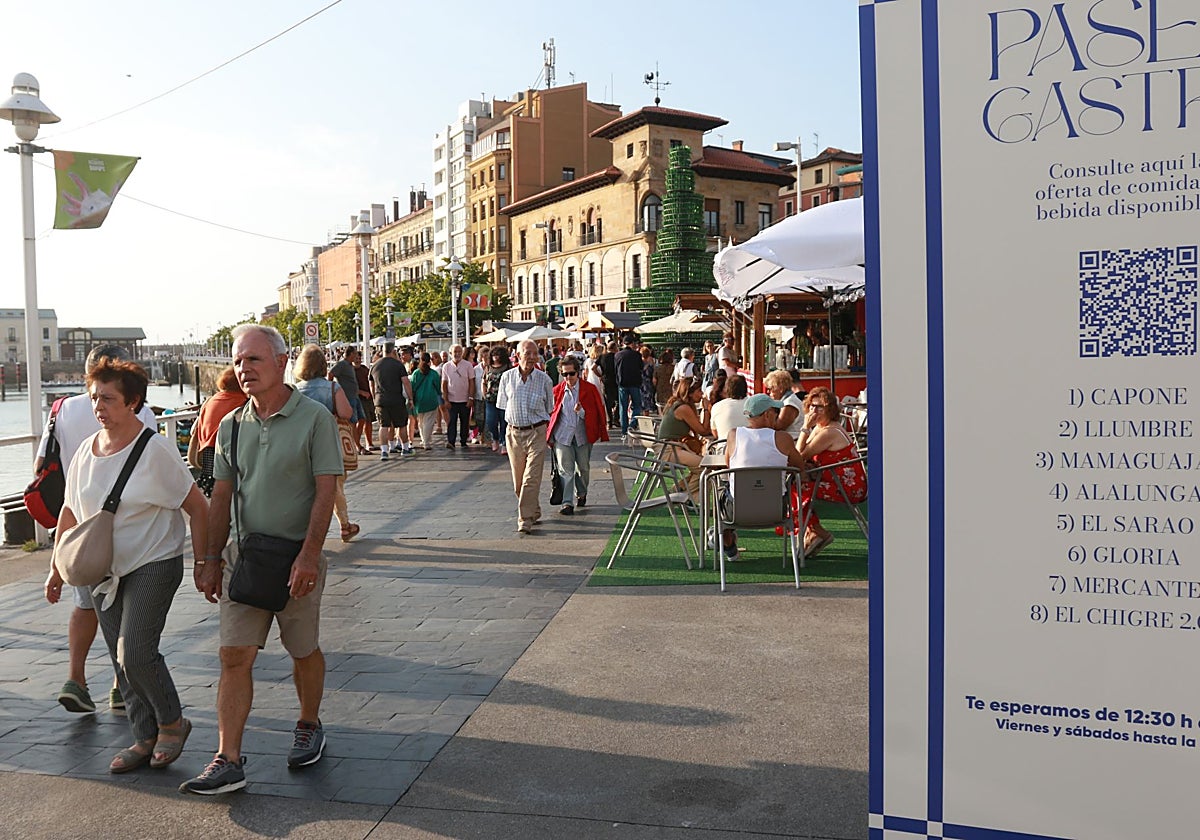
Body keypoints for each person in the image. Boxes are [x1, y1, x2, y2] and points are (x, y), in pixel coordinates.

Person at [182, 324, 343, 795]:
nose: (243, 368)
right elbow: (221, 495)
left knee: (302, 649)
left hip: (296, 559)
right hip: (245, 557)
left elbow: (326, 490)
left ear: (281, 361)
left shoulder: (314, 419)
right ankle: (228, 757)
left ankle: (309, 723)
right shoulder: (232, 426)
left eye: (253, 359)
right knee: (233, 655)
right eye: (237, 361)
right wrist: (210, 558)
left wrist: (309, 556)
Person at [45, 358, 208, 773]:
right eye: (94, 397)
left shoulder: (156, 450)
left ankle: (172, 723)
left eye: (108, 398)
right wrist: (56, 567)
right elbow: (69, 511)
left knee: (134, 651)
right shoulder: (85, 451)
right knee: (119, 660)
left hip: (153, 561)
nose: (98, 406)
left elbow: (198, 507)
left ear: (133, 402)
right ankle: (144, 736)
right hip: (101, 570)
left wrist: (204, 561)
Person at [35, 343, 159, 716]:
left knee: (85, 604)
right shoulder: (140, 409)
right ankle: (122, 686)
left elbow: (42, 463)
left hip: (78, 526)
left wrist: (55, 564)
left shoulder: (62, 409)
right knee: (122, 609)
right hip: (125, 528)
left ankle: (76, 678)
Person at [719, 393, 808, 559]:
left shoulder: (733, 435)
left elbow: (729, 466)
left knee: (723, 491)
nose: (777, 416)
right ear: (767, 414)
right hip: (776, 510)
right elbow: (799, 467)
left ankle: (727, 540)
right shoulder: (783, 438)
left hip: (737, 512)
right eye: (775, 412)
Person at [293, 344, 359, 542]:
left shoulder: (295, 390)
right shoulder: (332, 387)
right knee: (335, 485)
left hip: (303, 444)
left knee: (306, 486)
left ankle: (302, 529)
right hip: (330, 442)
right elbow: (346, 413)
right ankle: (345, 525)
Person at [796, 386, 867, 557]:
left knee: (794, 488)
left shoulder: (828, 432)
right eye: (812, 406)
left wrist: (805, 427)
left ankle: (817, 532)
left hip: (847, 488)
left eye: (820, 407)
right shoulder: (821, 427)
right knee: (796, 484)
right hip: (835, 481)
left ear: (830, 409)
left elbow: (798, 456)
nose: (814, 411)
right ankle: (814, 531)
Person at [496, 339, 554, 534]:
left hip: (536, 432)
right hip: (513, 434)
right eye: (527, 353)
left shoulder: (544, 380)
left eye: (534, 353)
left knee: (531, 478)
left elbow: (550, 408)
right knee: (518, 482)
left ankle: (525, 519)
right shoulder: (507, 377)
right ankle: (534, 510)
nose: (531, 357)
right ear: (517, 355)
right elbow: (502, 406)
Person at [547, 355, 608, 515]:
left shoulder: (589, 389)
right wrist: (549, 435)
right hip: (563, 436)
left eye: (571, 373)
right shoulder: (557, 391)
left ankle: (581, 493)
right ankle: (567, 503)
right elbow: (551, 414)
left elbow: (597, 412)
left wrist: (581, 412)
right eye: (564, 374)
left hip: (583, 435)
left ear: (578, 372)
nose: (568, 377)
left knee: (583, 468)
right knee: (565, 470)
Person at [189, 366, 248, 498]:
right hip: (228, 458)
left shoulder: (210, 400)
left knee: (215, 499)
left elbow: (195, 428)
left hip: (207, 457)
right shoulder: (243, 403)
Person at [657, 378, 712, 500]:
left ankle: (678, 490)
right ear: (690, 393)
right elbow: (703, 430)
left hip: (670, 447)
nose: (702, 394)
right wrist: (706, 409)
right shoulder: (683, 408)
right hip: (668, 450)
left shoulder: (679, 404)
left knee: (701, 467)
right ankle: (683, 496)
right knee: (706, 468)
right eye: (699, 391)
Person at [371, 343, 414, 460]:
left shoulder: (375, 366)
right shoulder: (398, 365)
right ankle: (405, 448)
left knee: (383, 426)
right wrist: (411, 398)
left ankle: (384, 451)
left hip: (380, 400)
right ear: (393, 351)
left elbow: (371, 384)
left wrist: (375, 398)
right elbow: (406, 382)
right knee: (402, 425)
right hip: (396, 399)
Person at [440, 344, 475, 450]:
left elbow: (471, 382)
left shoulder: (468, 365)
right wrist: (446, 399)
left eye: (459, 351)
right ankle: (451, 442)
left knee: (465, 422)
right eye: (455, 352)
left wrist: (471, 398)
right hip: (451, 400)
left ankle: (463, 441)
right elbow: (444, 384)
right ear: (450, 353)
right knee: (451, 421)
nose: (457, 354)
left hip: (465, 399)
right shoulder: (446, 366)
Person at [327, 348, 363, 447]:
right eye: (355, 354)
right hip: (348, 397)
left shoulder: (350, 365)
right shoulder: (342, 364)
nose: (356, 356)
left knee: (362, 419)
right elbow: (331, 373)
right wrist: (331, 388)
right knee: (352, 422)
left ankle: (356, 442)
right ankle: (356, 445)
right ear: (351, 354)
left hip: (355, 396)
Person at [409, 352, 442, 450]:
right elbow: (438, 387)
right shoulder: (434, 374)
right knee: (429, 422)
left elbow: (412, 387)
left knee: (421, 421)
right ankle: (426, 442)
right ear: (430, 361)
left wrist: (411, 399)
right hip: (431, 400)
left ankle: (424, 440)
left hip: (419, 401)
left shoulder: (416, 373)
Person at [614, 333, 644, 436]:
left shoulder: (617, 355)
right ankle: (632, 424)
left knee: (623, 407)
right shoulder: (637, 355)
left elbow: (615, 369)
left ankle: (624, 429)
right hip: (635, 383)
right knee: (637, 406)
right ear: (632, 344)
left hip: (622, 383)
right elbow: (641, 368)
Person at [483, 346, 510, 455]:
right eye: (493, 354)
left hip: (504, 399)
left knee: (504, 422)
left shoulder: (508, 367)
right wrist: (484, 393)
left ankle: (504, 443)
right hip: (491, 399)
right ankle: (495, 438)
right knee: (491, 421)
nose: (495, 357)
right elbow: (484, 381)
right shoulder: (488, 367)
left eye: (498, 354)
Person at [765, 369, 806, 439]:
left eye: (771, 388)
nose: (768, 392)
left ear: (780, 389)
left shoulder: (789, 404)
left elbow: (778, 427)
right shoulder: (785, 400)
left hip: (795, 440)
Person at [709, 374, 750, 442]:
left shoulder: (716, 406)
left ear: (727, 389)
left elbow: (715, 433)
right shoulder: (753, 404)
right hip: (749, 446)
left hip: (724, 446)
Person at [353, 350, 376, 453]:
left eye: (359, 358)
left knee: (369, 421)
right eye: (356, 358)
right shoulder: (351, 371)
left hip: (369, 398)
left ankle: (369, 443)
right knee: (361, 421)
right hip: (359, 399)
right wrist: (361, 392)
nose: (358, 360)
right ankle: (356, 444)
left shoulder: (364, 369)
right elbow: (350, 387)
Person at [600, 340, 619, 428]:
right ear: (615, 348)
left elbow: (593, 367)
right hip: (616, 381)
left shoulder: (602, 357)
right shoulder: (617, 356)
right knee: (618, 401)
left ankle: (609, 421)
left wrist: (600, 375)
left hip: (606, 381)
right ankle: (616, 418)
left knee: (608, 402)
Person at [640, 346, 657, 417]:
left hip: (640, 383)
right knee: (647, 401)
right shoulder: (651, 363)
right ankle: (646, 416)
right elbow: (653, 373)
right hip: (648, 384)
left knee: (642, 401)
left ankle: (643, 416)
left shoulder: (639, 362)